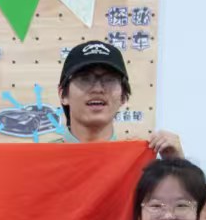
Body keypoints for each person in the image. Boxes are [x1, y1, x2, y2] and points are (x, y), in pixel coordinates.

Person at [54, 40, 182, 153]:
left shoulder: (141, 163)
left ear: (123, 96)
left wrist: (176, 164)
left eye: (109, 79)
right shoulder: (43, 161)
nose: (98, 89)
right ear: (63, 94)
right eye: (85, 79)